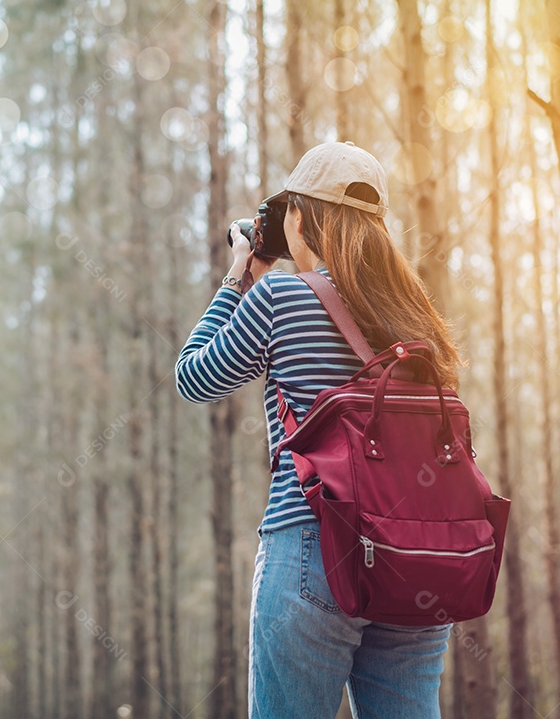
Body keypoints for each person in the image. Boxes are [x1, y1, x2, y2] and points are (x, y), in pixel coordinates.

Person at [175, 142, 461, 719]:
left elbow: (193, 376)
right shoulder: (418, 316)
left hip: (312, 543)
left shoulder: (279, 297)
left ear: (300, 218)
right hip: (417, 556)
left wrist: (241, 272)